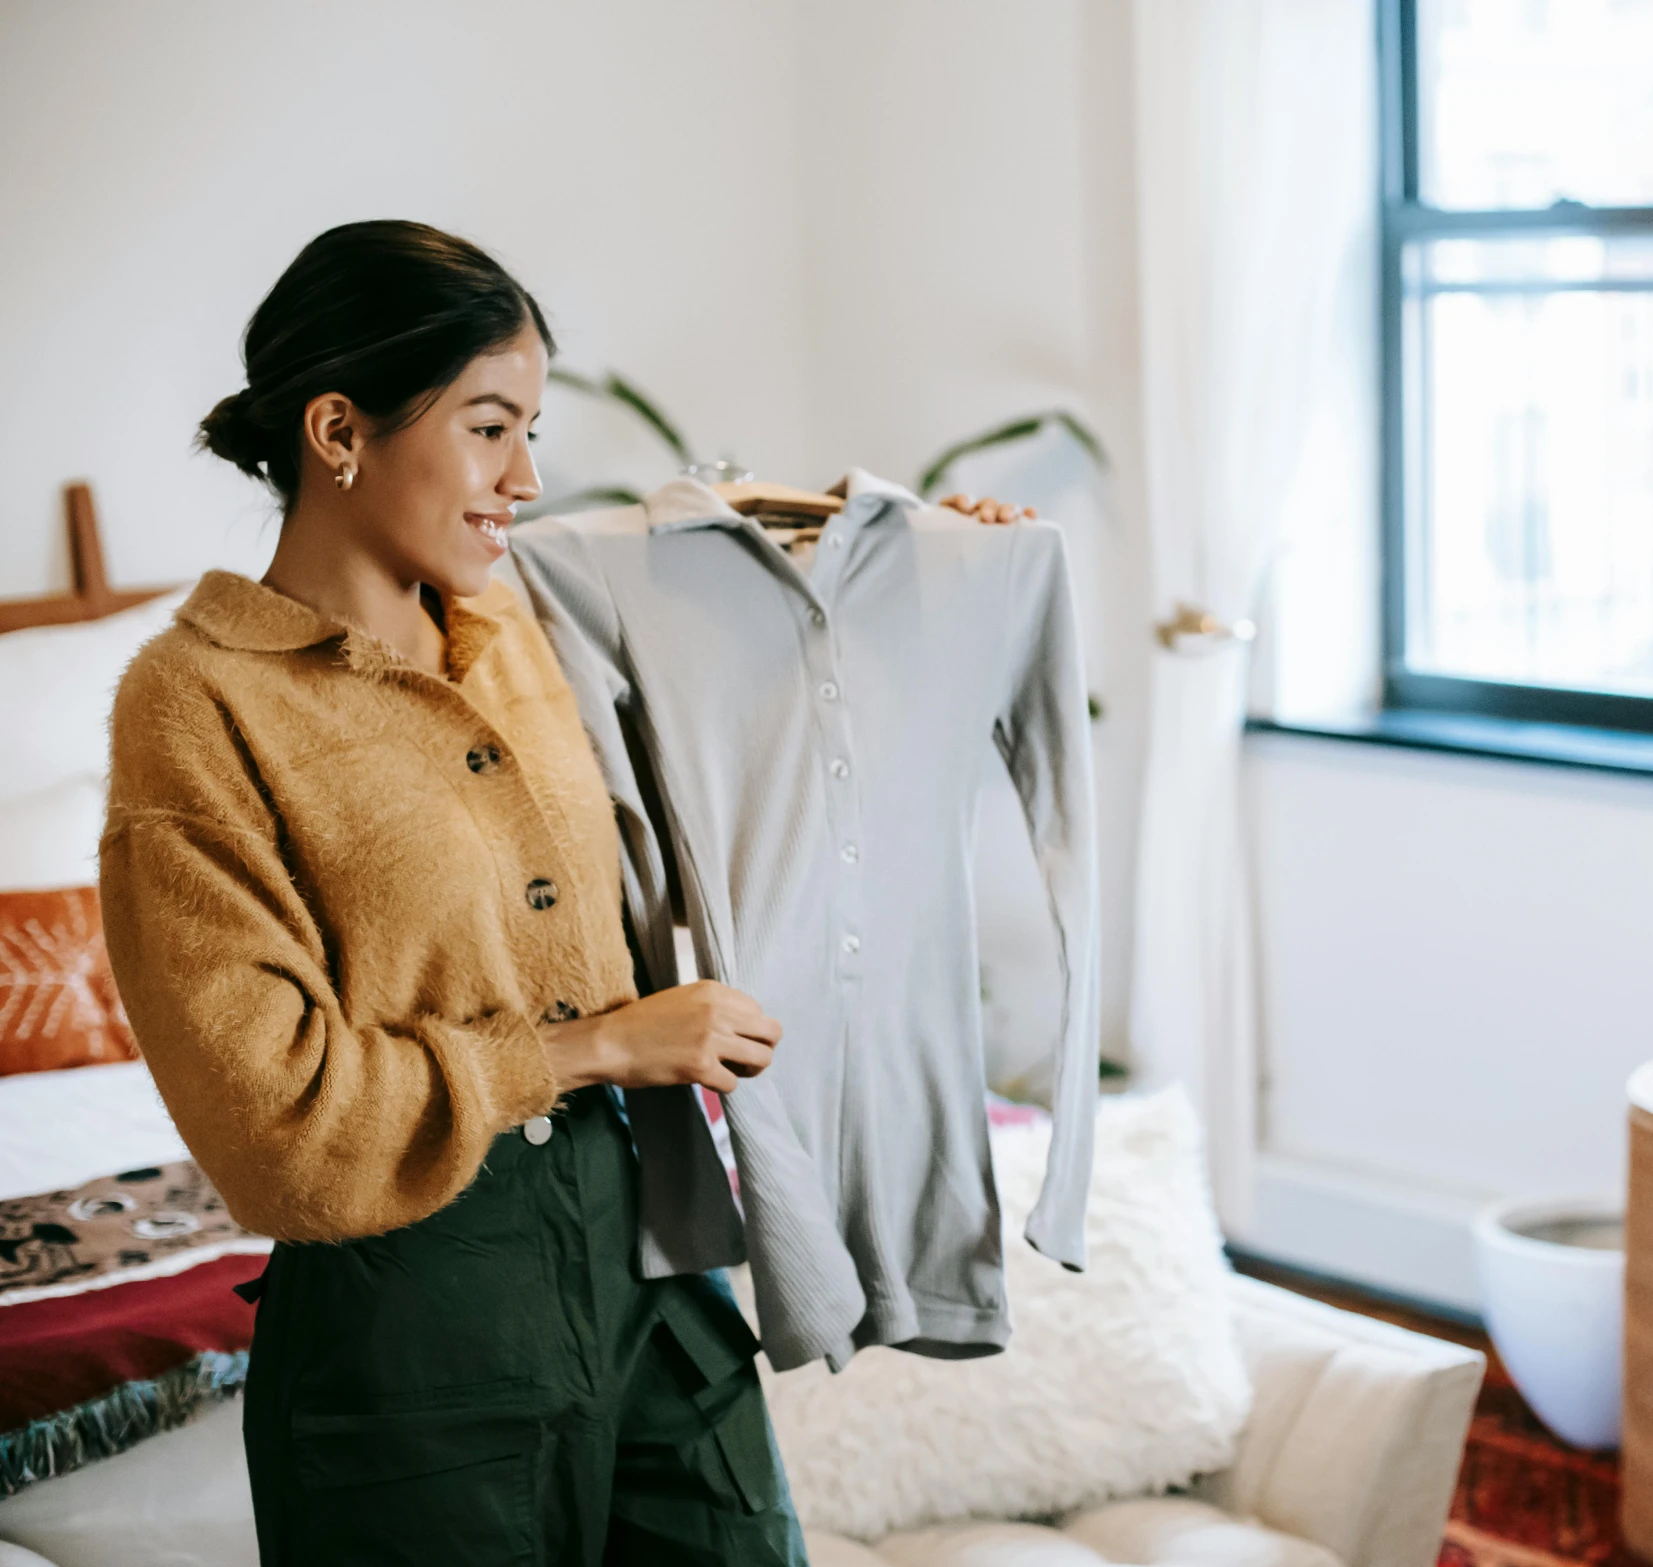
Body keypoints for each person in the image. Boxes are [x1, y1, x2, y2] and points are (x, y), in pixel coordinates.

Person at [97, 219, 1023, 1564]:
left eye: (530, 429)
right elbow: (272, 1127)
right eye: (487, 428)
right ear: (339, 427)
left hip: (647, 1256)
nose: (525, 476)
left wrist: (953, 568)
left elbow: (779, 677)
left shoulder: (533, 615)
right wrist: (601, 1043)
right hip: (410, 1325)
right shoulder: (197, 705)